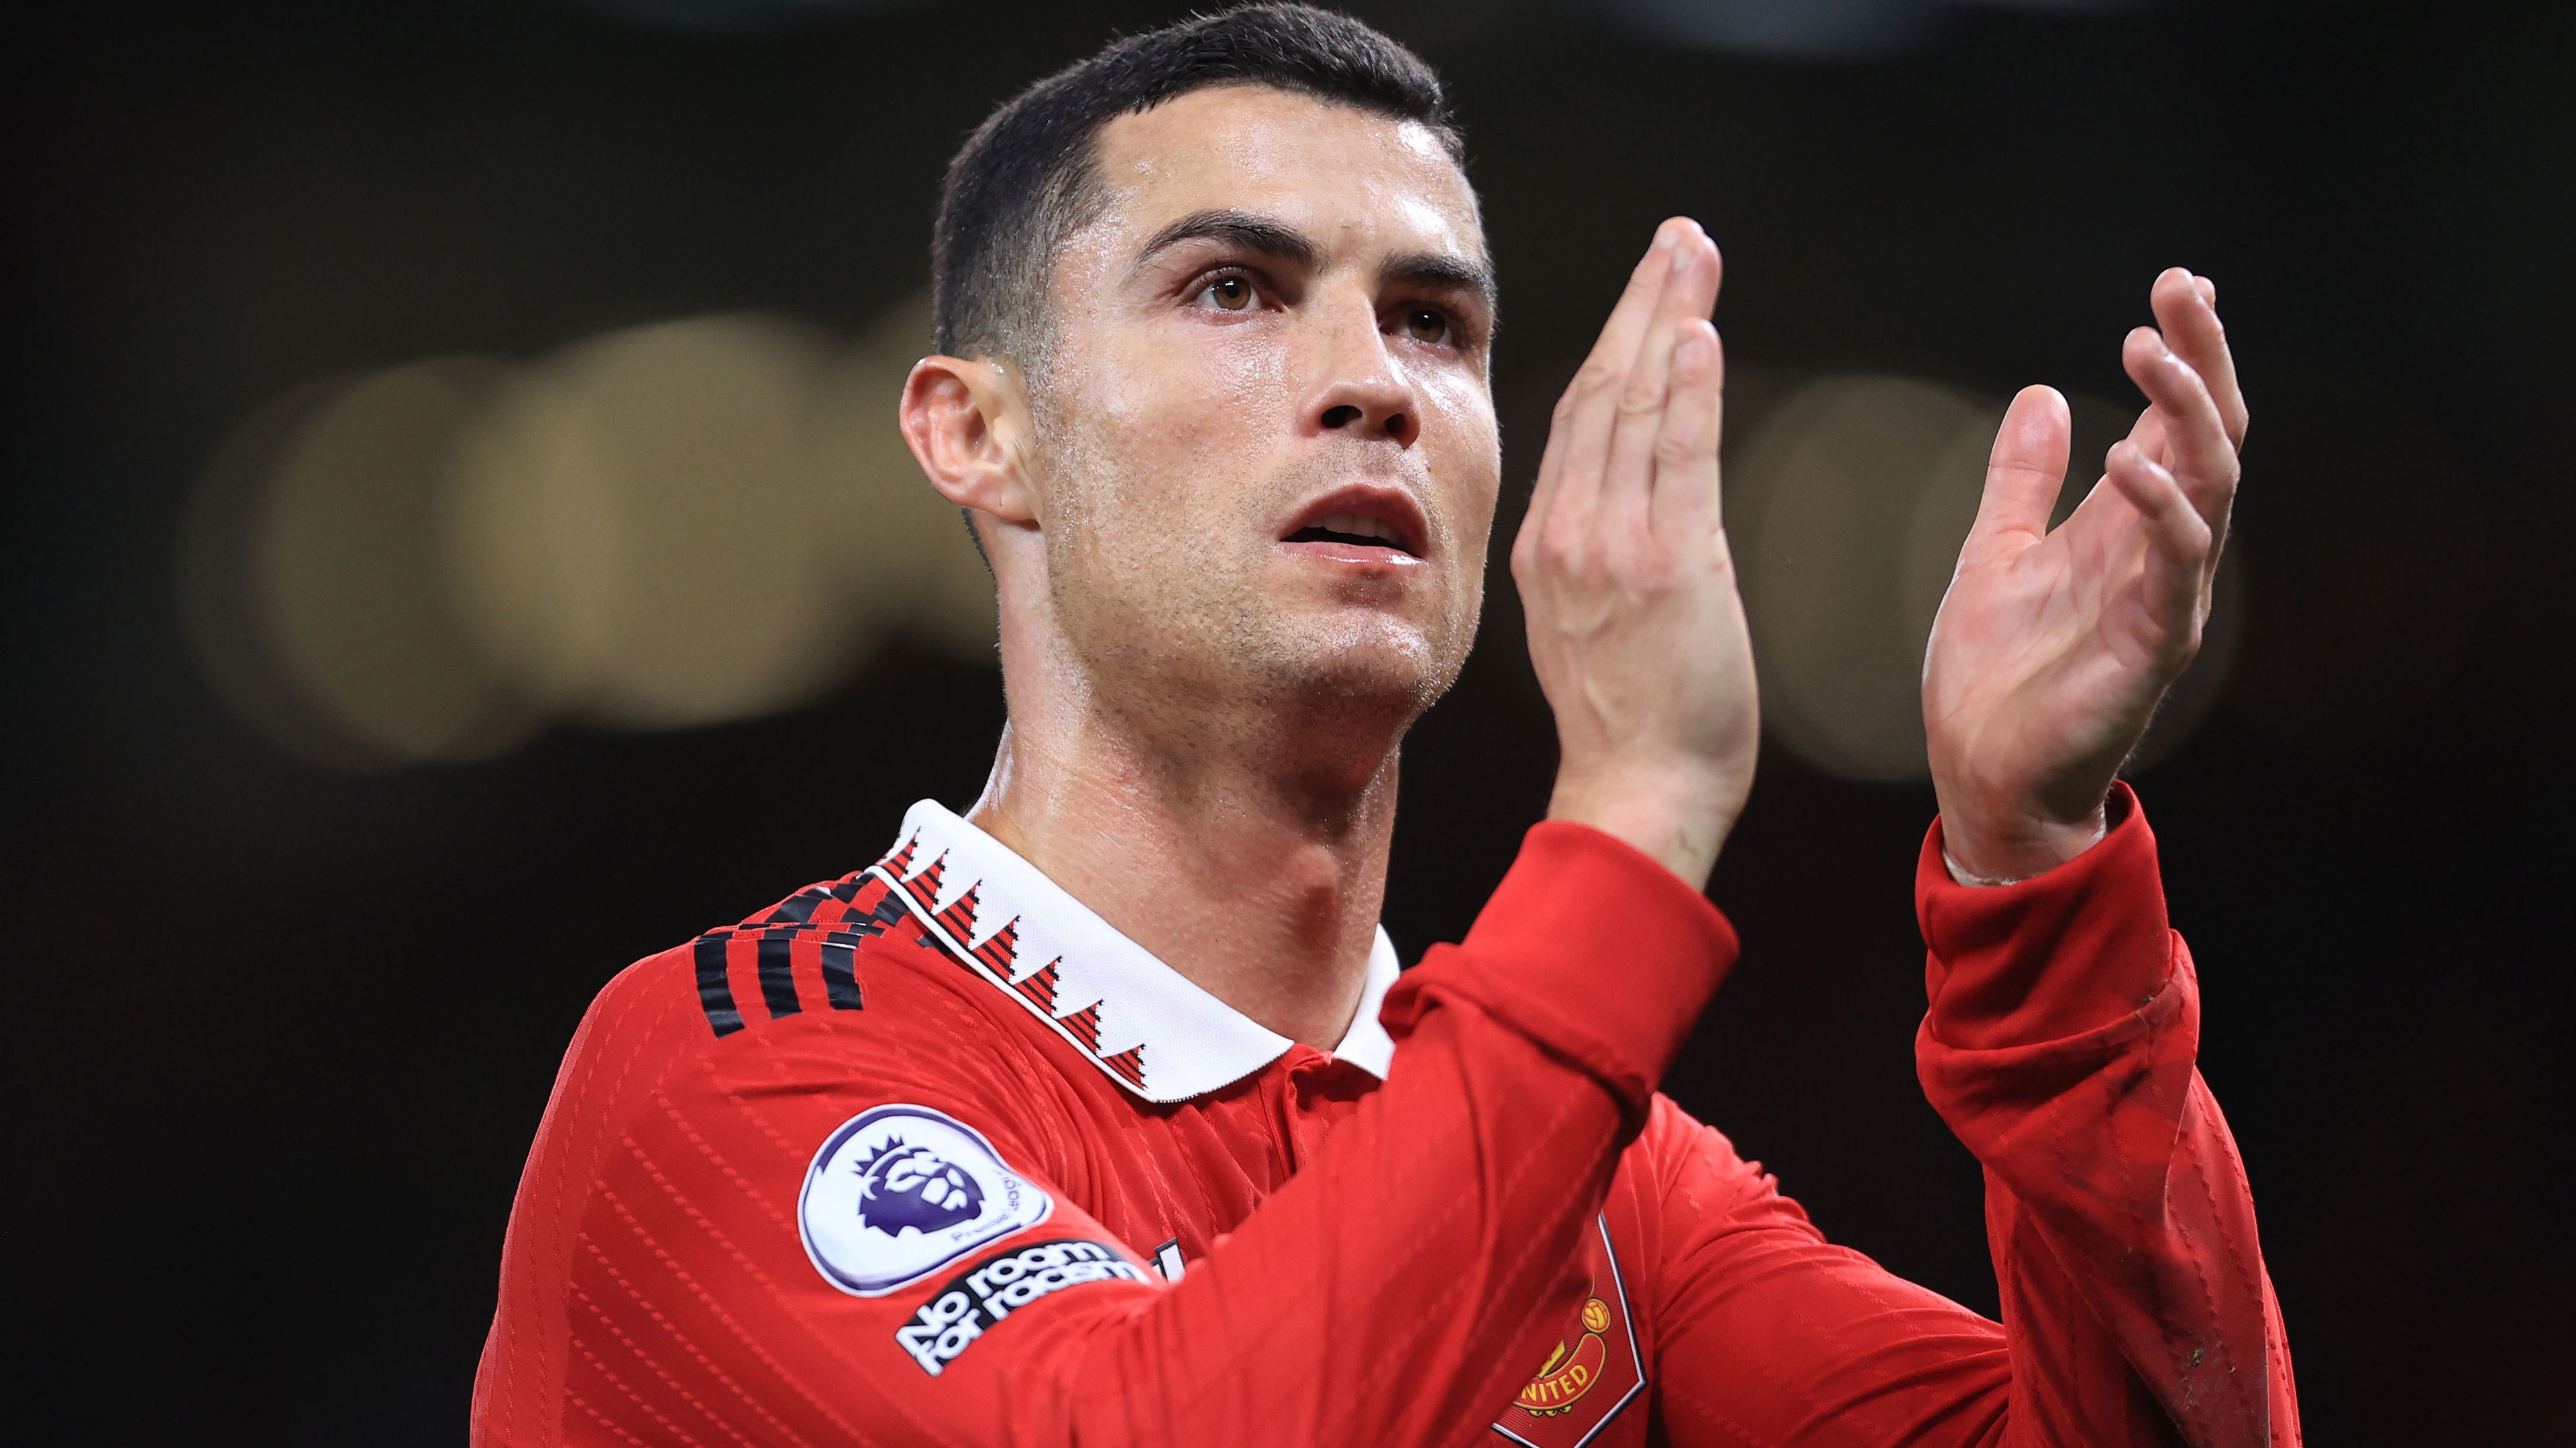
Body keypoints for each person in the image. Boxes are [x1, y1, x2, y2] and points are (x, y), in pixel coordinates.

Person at [472, 7, 2294, 1445]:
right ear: (979, 433)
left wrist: (2036, 875)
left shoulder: (1612, 1199)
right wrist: (1640, 807)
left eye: (1434, 324)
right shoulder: (728, 1081)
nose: (1373, 386)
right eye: (1232, 290)